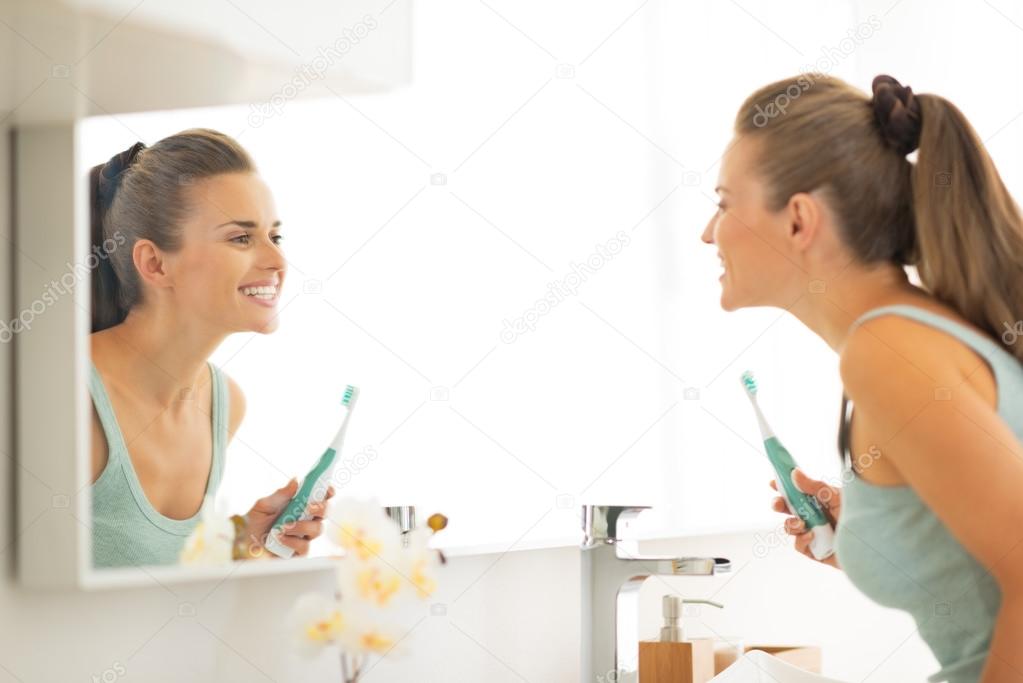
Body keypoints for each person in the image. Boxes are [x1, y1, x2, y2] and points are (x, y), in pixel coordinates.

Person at [702, 74, 1023, 683]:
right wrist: (891, 530)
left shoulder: (885, 350)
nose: (706, 233)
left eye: (722, 204)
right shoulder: (919, 330)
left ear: (798, 220)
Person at [88, 129, 332, 568]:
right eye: (241, 238)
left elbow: (156, 584)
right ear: (155, 264)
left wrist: (244, 544)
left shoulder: (222, 403)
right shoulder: (68, 395)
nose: (277, 262)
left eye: (275, 237)